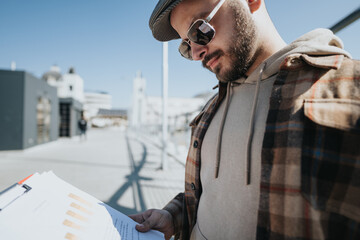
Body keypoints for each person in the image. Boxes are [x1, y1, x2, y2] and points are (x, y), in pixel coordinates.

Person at [129, 0, 360, 239]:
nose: (196, 53)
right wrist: (173, 216)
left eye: (200, 30)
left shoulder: (349, 88)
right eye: (187, 46)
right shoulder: (210, 110)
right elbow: (213, 193)